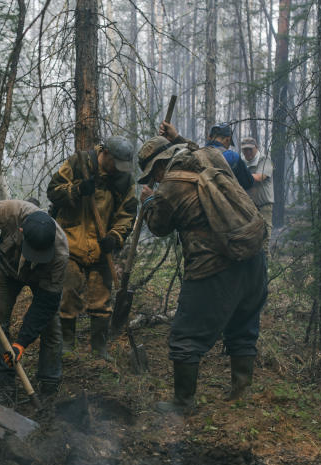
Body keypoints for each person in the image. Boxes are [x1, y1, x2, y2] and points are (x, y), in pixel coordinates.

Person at [137, 136, 268, 415]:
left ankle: (182, 403)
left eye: (154, 173)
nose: (157, 179)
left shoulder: (170, 185)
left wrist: (149, 201)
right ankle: (241, 392)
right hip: (253, 256)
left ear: (162, 163)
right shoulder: (211, 156)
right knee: (243, 325)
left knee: (186, 335)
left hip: (214, 267)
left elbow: (160, 227)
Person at [0, 200, 68, 401]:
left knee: (51, 327)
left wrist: (21, 344)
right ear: (21, 231)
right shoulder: (10, 212)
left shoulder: (60, 253)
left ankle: (49, 386)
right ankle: (5, 384)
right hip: (6, 270)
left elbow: (46, 304)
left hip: (41, 278)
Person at [46, 136, 137, 360]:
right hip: (69, 243)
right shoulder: (78, 164)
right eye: (115, 163)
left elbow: (127, 214)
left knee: (101, 299)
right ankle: (67, 345)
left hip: (101, 247)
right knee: (68, 294)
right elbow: (53, 191)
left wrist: (115, 237)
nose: (118, 169)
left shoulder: (124, 180)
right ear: (105, 153)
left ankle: (100, 349)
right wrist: (77, 190)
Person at [159, 120, 254, 191]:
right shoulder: (233, 157)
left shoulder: (195, 154)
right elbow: (248, 183)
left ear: (209, 138)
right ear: (228, 140)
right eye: (229, 143)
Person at [240, 136, 274, 242]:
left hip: (264, 205)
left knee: (265, 235)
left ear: (256, 148)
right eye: (245, 149)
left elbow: (260, 177)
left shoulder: (264, 160)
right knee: (250, 237)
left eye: (250, 149)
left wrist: (240, 175)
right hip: (248, 207)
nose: (248, 152)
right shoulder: (241, 161)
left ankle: (266, 258)